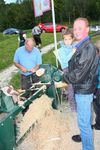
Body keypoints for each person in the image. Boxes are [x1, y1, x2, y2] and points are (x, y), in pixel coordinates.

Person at [63, 18, 99, 150]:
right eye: (75, 28)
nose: (76, 31)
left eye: (80, 28)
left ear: (87, 29)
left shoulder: (88, 48)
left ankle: (88, 147)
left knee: (84, 124)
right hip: (84, 88)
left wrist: (63, 76)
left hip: (84, 90)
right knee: (86, 121)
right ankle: (86, 139)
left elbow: (77, 75)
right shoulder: (81, 46)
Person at [54, 29, 77, 111]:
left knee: (77, 88)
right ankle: (73, 108)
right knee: (71, 89)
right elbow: (65, 61)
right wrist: (72, 52)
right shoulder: (62, 50)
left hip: (75, 69)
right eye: (65, 39)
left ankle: (78, 105)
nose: (67, 41)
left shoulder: (74, 46)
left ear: (72, 39)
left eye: (69, 39)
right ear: (63, 40)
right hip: (67, 70)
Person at [92, 40, 100, 130]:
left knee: (97, 106)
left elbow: (95, 74)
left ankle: (98, 125)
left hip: (98, 87)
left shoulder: (97, 60)